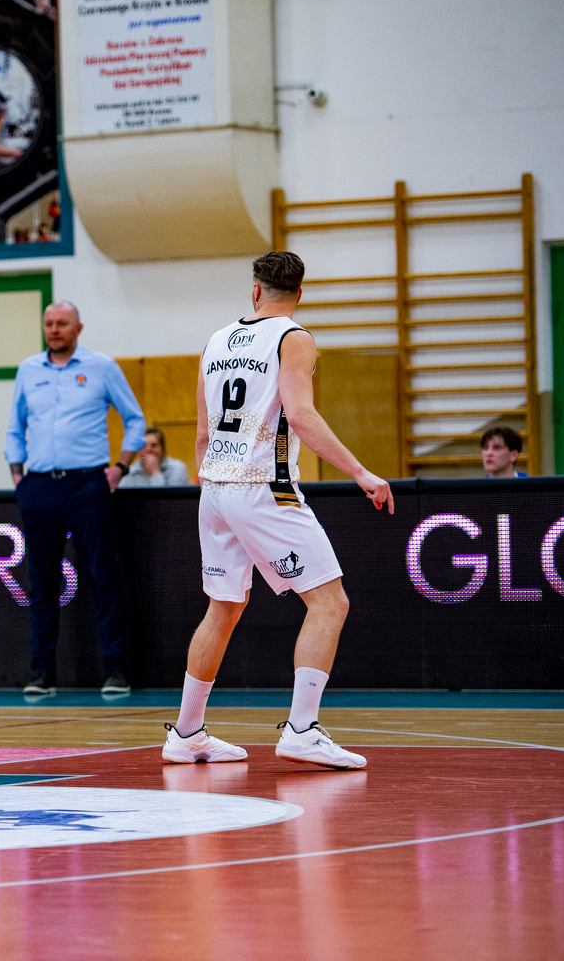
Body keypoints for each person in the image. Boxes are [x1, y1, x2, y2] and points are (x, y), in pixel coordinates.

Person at [163, 251, 393, 771]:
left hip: (215, 486)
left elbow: (201, 433)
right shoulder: (294, 337)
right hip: (262, 486)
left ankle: (187, 733)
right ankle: (302, 731)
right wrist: (361, 472)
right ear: (300, 294)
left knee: (222, 608)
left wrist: (215, 484)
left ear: (255, 290)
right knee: (329, 602)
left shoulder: (215, 341)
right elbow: (302, 415)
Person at [6, 301, 145, 697]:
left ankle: (116, 670)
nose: (54, 329)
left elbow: (135, 419)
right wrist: (17, 474)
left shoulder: (102, 367)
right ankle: (42, 674)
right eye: (49, 323)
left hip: (88, 483)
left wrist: (120, 467)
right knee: (42, 583)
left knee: (103, 576)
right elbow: (15, 427)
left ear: (78, 328)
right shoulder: (28, 370)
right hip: (38, 486)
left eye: (62, 323)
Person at [121, 427, 192, 487]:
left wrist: (155, 472)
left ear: (163, 449)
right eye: (143, 446)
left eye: (154, 445)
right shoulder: (129, 473)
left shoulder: (177, 468)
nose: (148, 449)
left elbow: (170, 499)